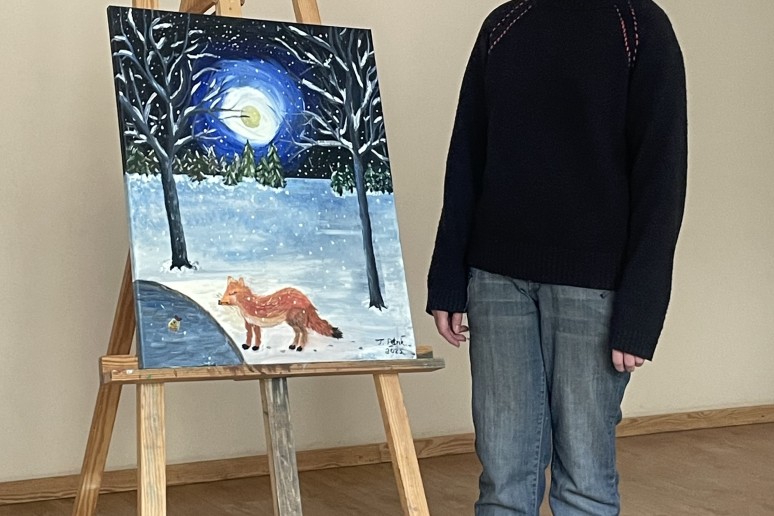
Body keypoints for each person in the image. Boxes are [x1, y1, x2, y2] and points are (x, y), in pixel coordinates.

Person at [426, 0, 687, 514]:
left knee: (585, 481)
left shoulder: (640, 26)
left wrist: (642, 310)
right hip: (495, 280)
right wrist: (448, 279)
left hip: (595, 290)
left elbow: (662, 177)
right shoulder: (504, 23)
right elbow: (467, 155)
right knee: (502, 480)